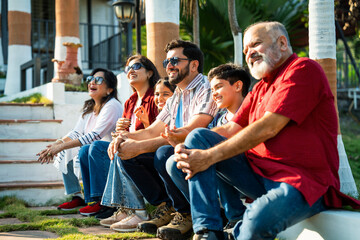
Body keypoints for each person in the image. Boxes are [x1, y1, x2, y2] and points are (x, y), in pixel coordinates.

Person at [173, 21, 360, 240]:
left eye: (256, 44)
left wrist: (208, 157)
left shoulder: (303, 69)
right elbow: (231, 128)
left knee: (255, 224)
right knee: (198, 138)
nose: (249, 53)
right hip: (259, 174)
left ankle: (236, 230)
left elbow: (268, 128)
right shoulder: (260, 87)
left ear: (282, 43)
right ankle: (208, 231)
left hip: (302, 181)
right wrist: (186, 146)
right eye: (245, 50)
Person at [108, 39, 217, 239]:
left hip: (203, 154)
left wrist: (139, 145)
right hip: (179, 152)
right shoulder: (177, 94)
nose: (169, 66)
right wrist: (123, 137)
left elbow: (190, 132)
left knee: (162, 153)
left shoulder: (206, 88)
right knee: (128, 155)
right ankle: (166, 207)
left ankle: (185, 214)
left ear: (194, 64)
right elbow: (152, 130)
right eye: (167, 61)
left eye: (175, 60)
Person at [167, 63, 251, 229]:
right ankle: (215, 213)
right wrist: (181, 146)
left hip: (250, 174)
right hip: (225, 178)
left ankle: (231, 218)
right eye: (212, 90)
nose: (214, 94)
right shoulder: (219, 119)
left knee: (201, 139)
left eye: (219, 87)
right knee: (174, 162)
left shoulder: (252, 108)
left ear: (238, 85)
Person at [82, 55, 160, 222]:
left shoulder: (155, 97)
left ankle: (136, 210)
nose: (131, 70)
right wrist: (119, 131)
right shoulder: (130, 102)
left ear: (149, 73)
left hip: (149, 148)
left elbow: (159, 132)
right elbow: (124, 134)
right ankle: (118, 207)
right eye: (128, 68)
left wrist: (146, 122)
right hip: (129, 145)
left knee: (118, 150)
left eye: (137, 66)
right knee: (93, 148)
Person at [37, 68, 123, 212]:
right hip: (94, 151)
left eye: (99, 80)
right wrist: (57, 144)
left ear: (109, 89)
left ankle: (100, 199)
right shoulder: (90, 107)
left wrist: (61, 146)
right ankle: (77, 196)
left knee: (87, 147)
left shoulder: (112, 105)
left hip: (110, 154)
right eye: (90, 79)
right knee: (68, 147)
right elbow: (76, 132)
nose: (92, 82)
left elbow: (95, 135)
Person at [100, 77, 176, 230]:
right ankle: (128, 208)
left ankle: (141, 210)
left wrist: (132, 140)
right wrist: (121, 135)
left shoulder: (169, 108)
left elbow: (156, 136)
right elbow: (149, 132)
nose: (159, 98)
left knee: (129, 152)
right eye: (157, 94)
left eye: (165, 94)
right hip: (153, 149)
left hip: (165, 154)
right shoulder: (131, 102)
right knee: (118, 149)